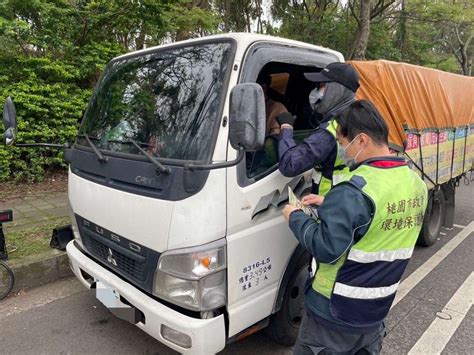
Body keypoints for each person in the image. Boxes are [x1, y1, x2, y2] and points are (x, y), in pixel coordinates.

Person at [282, 100, 428, 354]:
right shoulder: (415, 183)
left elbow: (327, 248)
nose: (343, 149)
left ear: (361, 140)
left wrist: (295, 217)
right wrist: (330, 203)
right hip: (376, 310)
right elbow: (376, 217)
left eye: (342, 142)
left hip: (334, 312)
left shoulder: (353, 190)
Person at [276, 62, 360, 201]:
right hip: (347, 197)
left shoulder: (330, 131)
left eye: (321, 86)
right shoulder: (359, 116)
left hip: (329, 202)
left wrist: (286, 128)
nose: (315, 91)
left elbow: (289, 165)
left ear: (337, 90)